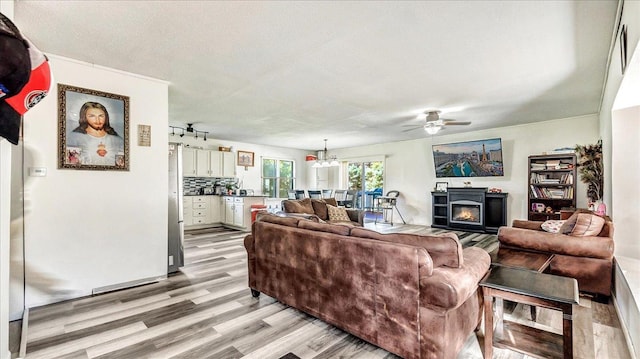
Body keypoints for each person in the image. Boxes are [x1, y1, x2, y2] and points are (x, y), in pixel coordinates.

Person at [66, 102, 124, 166]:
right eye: (92, 116)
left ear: (106, 117)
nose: (97, 120)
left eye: (101, 116)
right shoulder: (74, 137)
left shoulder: (117, 139)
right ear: (84, 117)